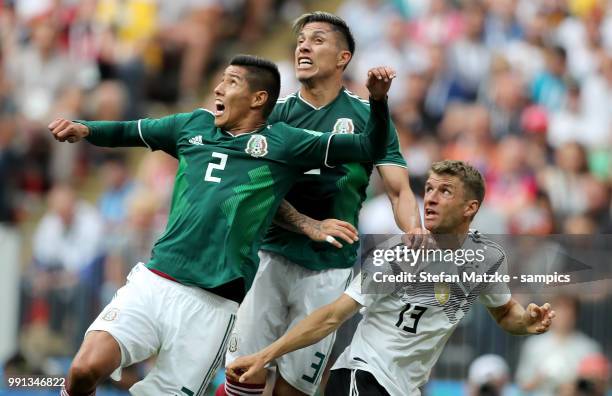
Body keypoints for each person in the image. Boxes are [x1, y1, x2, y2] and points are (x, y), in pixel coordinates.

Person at [48, 54, 397, 396]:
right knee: (82, 370)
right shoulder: (192, 126)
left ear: (258, 98)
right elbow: (130, 131)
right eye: (220, 80)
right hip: (154, 282)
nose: (218, 89)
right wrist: (85, 129)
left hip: (213, 308)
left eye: (231, 82)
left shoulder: (286, 142)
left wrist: (378, 102)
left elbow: (370, 144)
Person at [227, 160, 556, 396]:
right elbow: (331, 317)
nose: (430, 198)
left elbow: (504, 313)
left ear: (470, 208)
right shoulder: (397, 254)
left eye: (445, 191)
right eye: (428, 189)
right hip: (362, 376)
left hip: (404, 387)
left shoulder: (485, 258)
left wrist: (527, 322)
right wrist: (264, 356)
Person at [222, 12, 422, 396]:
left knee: (294, 390)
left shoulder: (367, 117)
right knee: (243, 377)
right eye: (299, 41)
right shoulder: (273, 115)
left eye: (316, 40)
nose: (303, 47)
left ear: (343, 58)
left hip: (328, 270)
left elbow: (398, 190)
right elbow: (250, 190)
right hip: (268, 255)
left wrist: (412, 229)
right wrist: (306, 223)